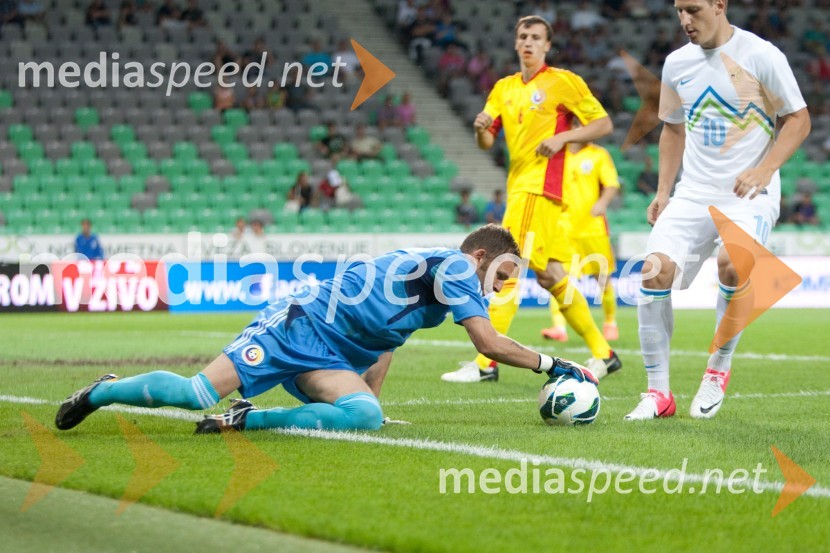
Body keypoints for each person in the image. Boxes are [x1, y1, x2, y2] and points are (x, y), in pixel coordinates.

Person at [55, 225, 598, 434]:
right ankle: (102, 391)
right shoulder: (456, 269)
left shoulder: (443, 282)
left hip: (331, 353)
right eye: (504, 274)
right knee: (194, 393)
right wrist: (554, 364)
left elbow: (386, 341)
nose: (503, 287)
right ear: (481, 256)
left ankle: (250, 419)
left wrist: (375, 400)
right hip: (294, 326)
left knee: (362, 416)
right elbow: (488, 343)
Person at [625, 0, 810, 421]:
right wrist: (663, 191)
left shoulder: (761, 55)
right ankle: (658, 395)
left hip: (749, 193)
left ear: (719, 5)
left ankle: (717, 368)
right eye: (678, 12)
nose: (685, 21)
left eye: (693, 9)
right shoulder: (676, 64)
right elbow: (672, 130)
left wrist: (766, 169)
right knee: (653, 270)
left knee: (732, 264)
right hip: (693, 192)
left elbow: (798, 119)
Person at [441, 15, 621, 384]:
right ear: (515, 42)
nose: (528, 42)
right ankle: (604, 353)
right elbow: (488, 140)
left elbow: (603, 124)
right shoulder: (503, 88)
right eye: (523, 35)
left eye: (536, 37)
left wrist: (563, 139)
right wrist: (479, 132)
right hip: (521, 187)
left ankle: (484, 363)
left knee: (504, 265)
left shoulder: (563, 82)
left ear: (547, 46)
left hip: (539, 189)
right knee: (552, 276)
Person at [541, 121, 621, 343]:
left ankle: (610, 321)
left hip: (593, 228)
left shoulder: (599, 155)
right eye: (583, 126)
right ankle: (559, 328)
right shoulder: (559, 155)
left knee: (602, 278)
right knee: (558, 278)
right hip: (563, 228)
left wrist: (602, 203)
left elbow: (612, 184)